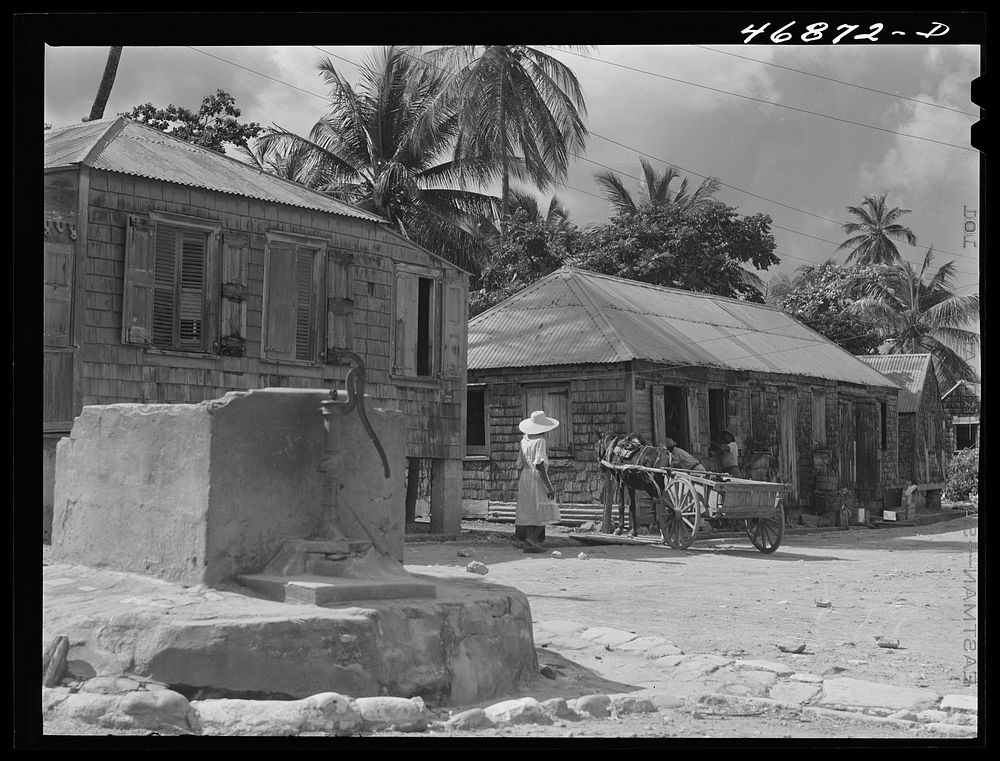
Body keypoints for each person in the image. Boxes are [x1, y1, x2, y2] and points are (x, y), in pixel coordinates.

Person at [515, 410, 560, 553]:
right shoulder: (540, 441)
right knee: (546, 507)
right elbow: (539, 465)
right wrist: (549, 487)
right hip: (536, 476)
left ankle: (529, 541)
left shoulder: (524, 441)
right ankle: (532, 539)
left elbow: (519, 464)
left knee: (529, 510)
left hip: (525, 476)